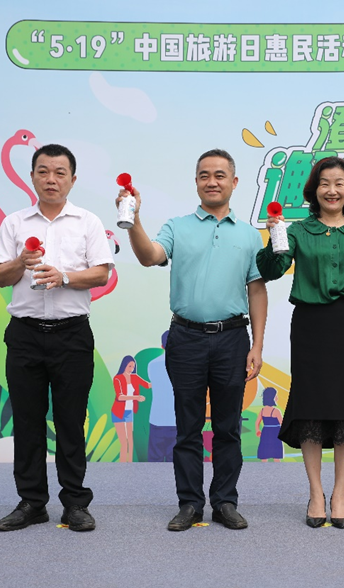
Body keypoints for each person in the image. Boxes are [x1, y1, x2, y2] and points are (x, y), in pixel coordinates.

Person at [121, 149, 267, 531]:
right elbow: (149, 256)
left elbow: (256, 290)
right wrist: (134, 219)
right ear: (196, 182)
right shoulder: (177, 226)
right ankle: (189, 503)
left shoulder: (249, 234)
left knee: (227, 427)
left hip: (232, 338)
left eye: (220, 175)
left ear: (234, 182)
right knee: (187, 427)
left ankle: (225, 502)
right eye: (204, 175)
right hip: (185, 337)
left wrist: (257, 344)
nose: (212, 181)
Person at [257, 156, 344, 529]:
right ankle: (315, 493)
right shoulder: (298, 231)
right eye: (324, 183)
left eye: (339, 183)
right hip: (311, 327)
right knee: (310, 407)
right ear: (314, 190)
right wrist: (274, 237)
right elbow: (271, 271)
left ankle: (339, 494)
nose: (332, 190)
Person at [0, 144, 113, 532]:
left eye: (60, 173)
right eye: (43, 171)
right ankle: (31, 503)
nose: (51, 179)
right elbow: (1, 277)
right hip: (25, 334)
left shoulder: (87, 222)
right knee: (27, 421)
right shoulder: (14, 223)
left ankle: (75, 503)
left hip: (71, 335)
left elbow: (102, 274)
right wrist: (20, 262)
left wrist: (64, 277)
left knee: (70, 421)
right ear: (32, 177)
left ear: (72, 180)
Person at [111, 355, 151, 463]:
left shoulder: (134, 377)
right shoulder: (117, 378)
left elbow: (147, 385)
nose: (131, 369)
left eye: (133, 367)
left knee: (130, 441)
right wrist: (136, 397)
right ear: (124, 365)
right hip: (118, 412)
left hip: (129, 412)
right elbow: (120, 397)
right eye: (129, 366)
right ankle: (123, 465)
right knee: (124, 442)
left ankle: (130, 465)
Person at [147, 330, 177, 462]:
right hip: (177, 419)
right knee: (175, 462)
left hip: (157, 418)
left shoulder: (152, 364)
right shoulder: (185, 365)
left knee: (154, 461)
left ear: (161, 346)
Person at [255, 387, 284, 462]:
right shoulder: (276, 411)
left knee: (264, 452)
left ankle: (264, 466)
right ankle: (277, 467)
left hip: (265, 432)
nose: (277, 397)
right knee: (276, 454)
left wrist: (257, 430)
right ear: (272, 397)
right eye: (276, 395)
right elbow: (282, 423)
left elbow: (257, 422)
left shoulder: (262, 410)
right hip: (275, 433)